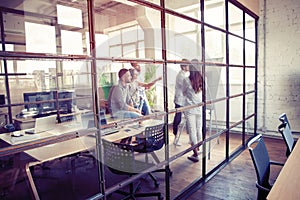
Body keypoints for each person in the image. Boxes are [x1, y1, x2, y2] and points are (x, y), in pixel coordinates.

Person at [183, 63, 203, 162]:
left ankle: (195, 153)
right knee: (198, 129)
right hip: (199, 108)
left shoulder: (186, 80)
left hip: (190, 108)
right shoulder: (203, 79)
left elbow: (183, 92)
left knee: (192, 130)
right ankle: (198, 149)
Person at [172, 59, 189, 146]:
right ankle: (175, 138)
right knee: (177, 119)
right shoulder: (180, 76)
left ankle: (190, 138)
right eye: (187, 65)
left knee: (188, 118)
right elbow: (185, 87)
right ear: (183, 66)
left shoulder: (184, 75)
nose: (189, 67)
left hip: (184, 100)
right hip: (179, 100)